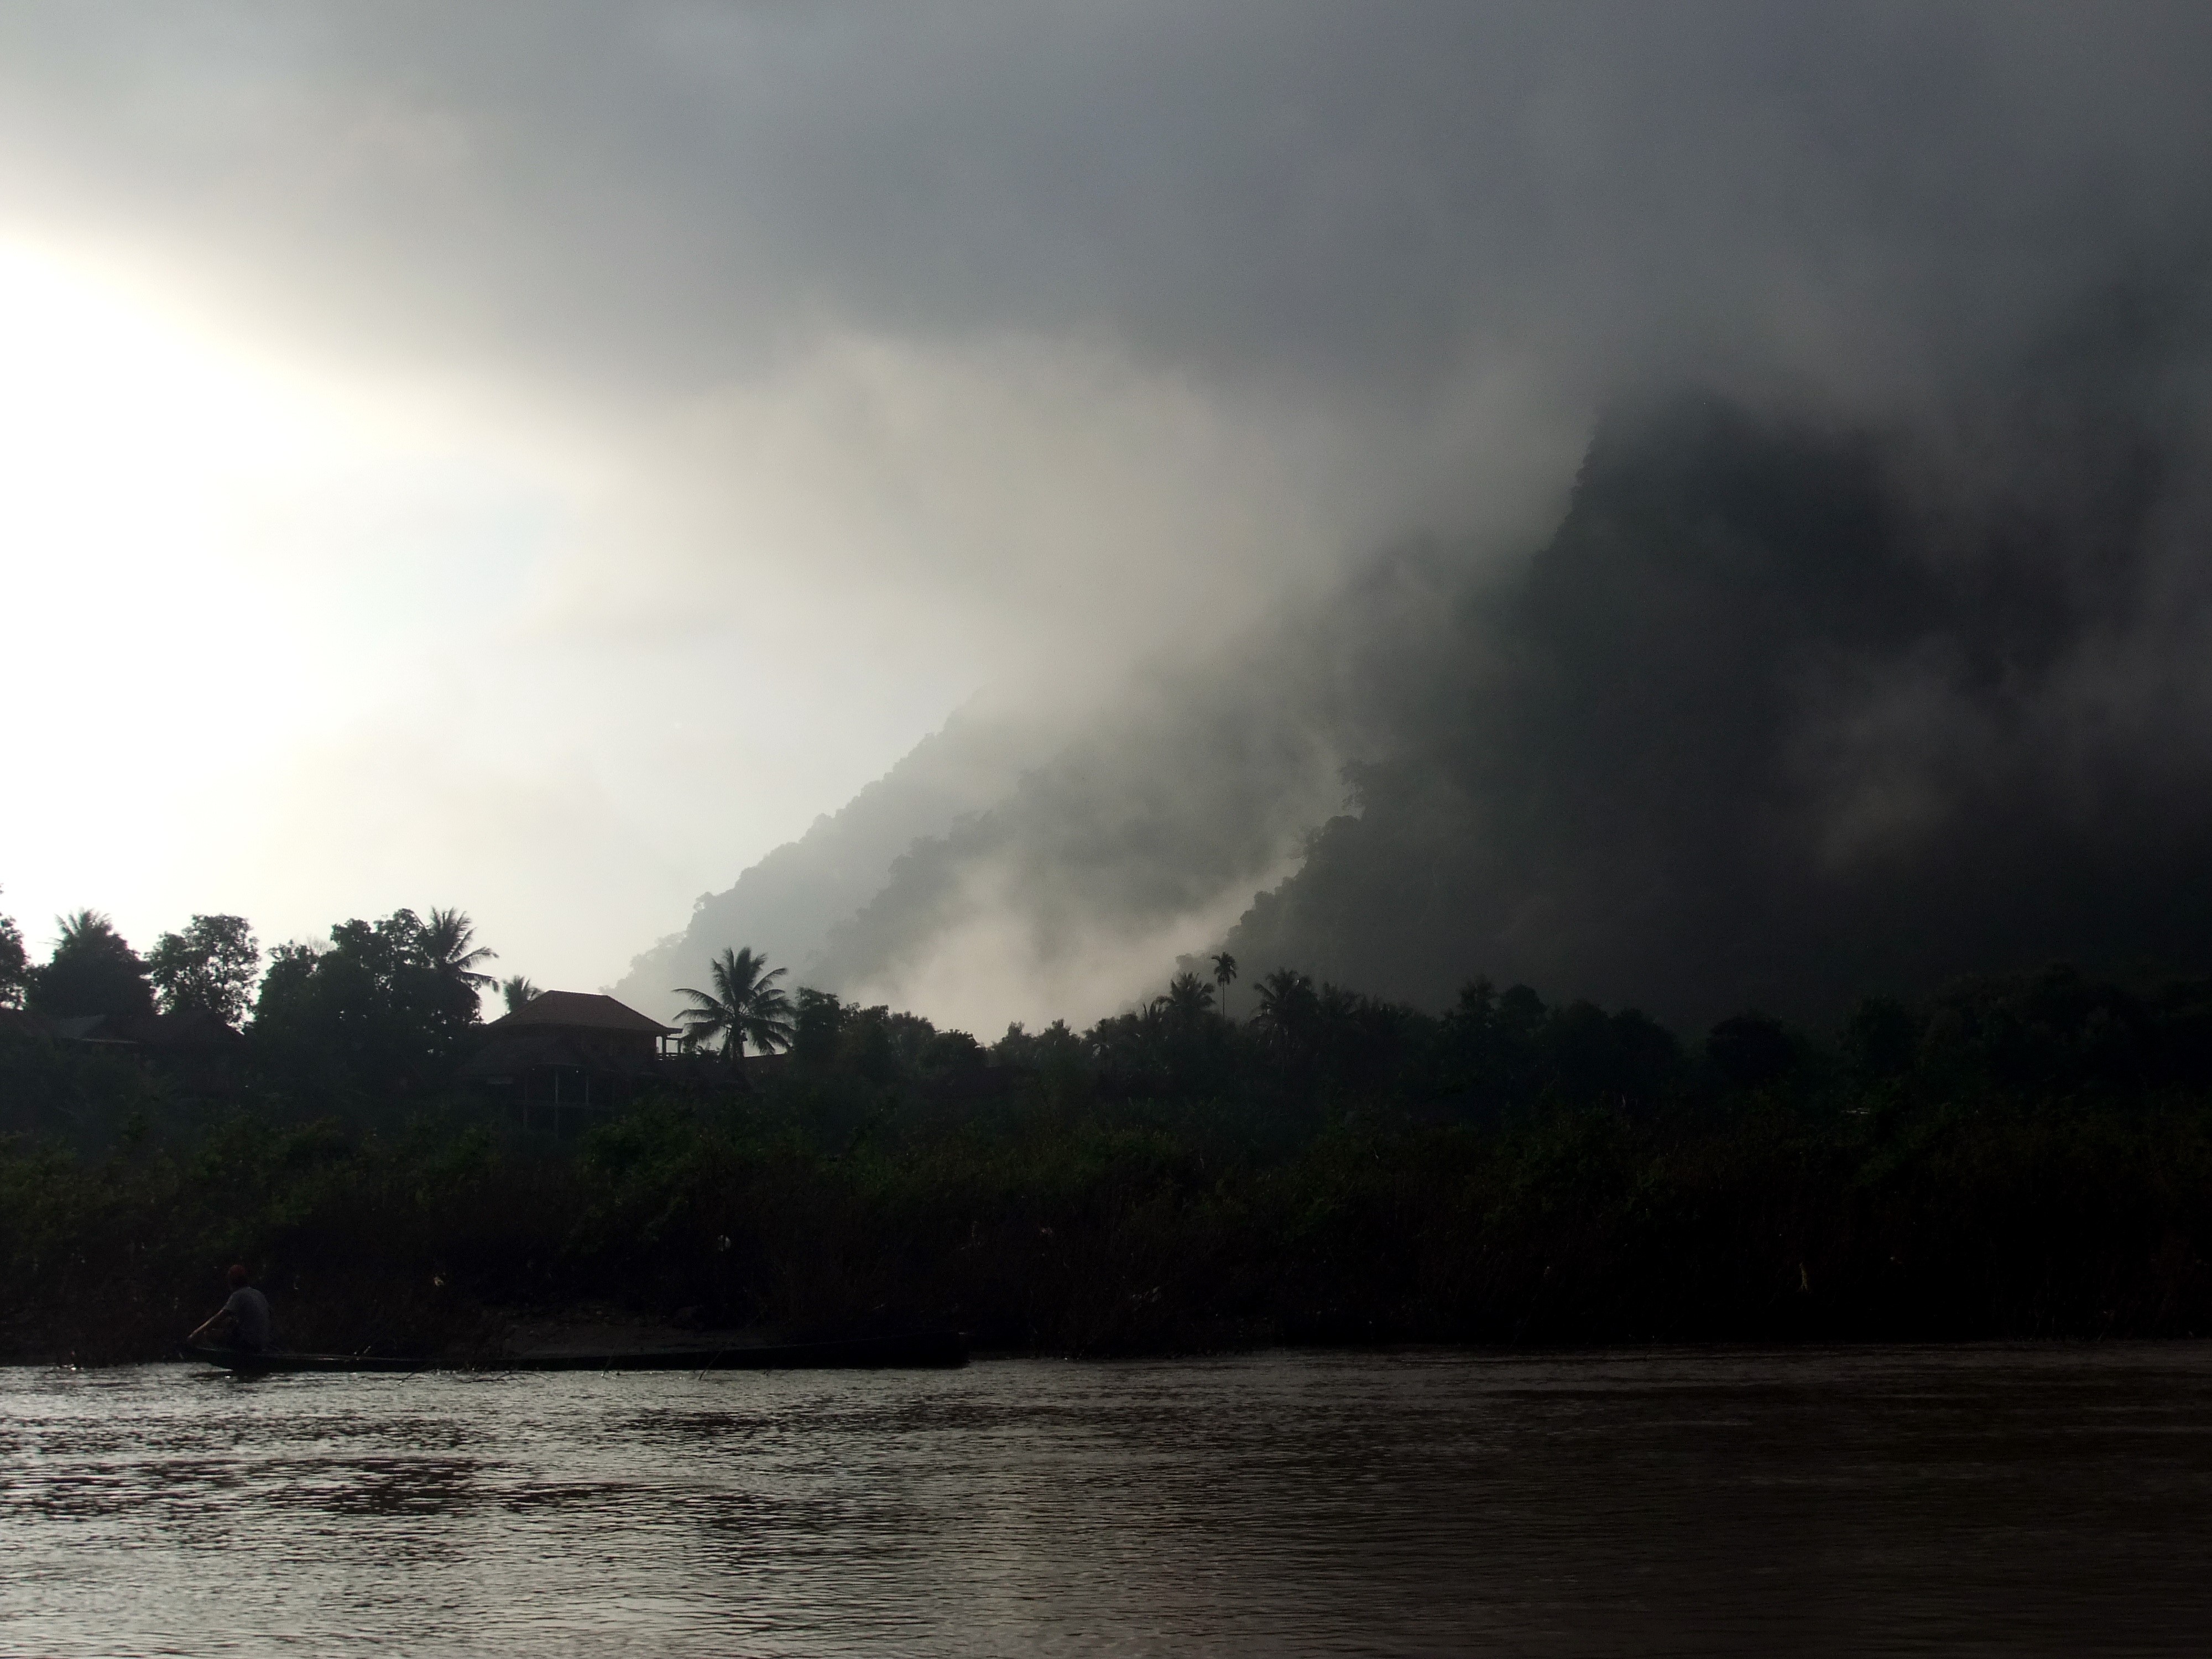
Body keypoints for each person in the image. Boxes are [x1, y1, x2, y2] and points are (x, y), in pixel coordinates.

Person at [187, 1264, 273, 1353]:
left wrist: (196, 1333)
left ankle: (213, 1354)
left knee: (209, 1334)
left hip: (248, 1344)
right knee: (229, 1324)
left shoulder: (238, 1295)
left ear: (231, 1282)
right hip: (263, 1343)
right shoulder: (258, 1294)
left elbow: (219, 1317)